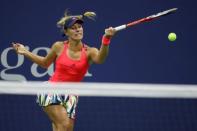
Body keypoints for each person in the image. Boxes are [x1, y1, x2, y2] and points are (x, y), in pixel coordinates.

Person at [12, 10, 116, 131]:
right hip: (50, 90)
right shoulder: (58, 46)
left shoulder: (90, 51)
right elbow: (45, 63)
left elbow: (100, 59)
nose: (78, 30)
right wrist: (25, 52)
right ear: (66, 32)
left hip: (71, 95)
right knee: (63, 124)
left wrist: (106, 39)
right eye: (73, 28)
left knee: (65, 128)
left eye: (80, 27)